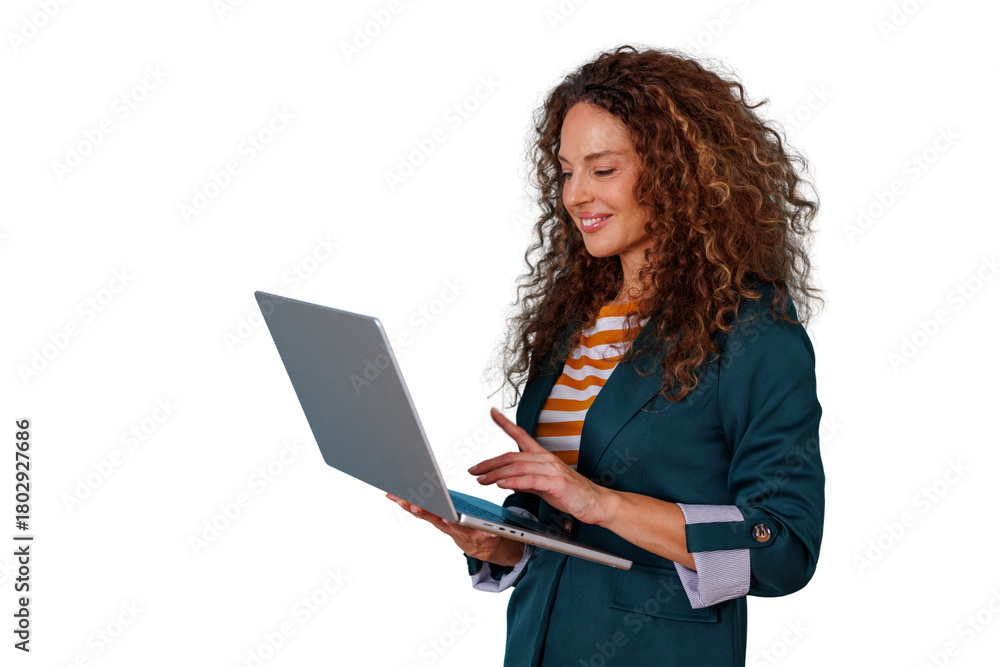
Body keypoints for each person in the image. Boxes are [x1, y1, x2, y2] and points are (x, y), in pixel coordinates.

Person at [388, 44, 824, 667]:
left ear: (678, 172)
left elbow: (783, 550)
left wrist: (604, 504)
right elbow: (557, 526)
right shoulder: (573, 319)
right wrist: (494, 541)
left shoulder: (755, 331)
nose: (575, 195)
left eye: (603, 169)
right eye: (567, 171)